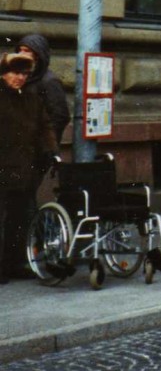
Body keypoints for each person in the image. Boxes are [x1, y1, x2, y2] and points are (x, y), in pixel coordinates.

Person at [0, 52, 57, 283]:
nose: (20, 78)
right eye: (16, 73)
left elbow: (45, 126)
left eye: (24, 74)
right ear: (3, 74)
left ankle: (14, 264)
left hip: (24, 170)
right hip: (2, 169)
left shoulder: (31, 98)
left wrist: (50, 149)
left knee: (19, 219)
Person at [16, 34, 69, 145]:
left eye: (26, 51)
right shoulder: (23, 78)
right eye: (20, 50)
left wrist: (43, 142)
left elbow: (60, 116)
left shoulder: (49, 81)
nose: (21, 54)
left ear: (37, 55)